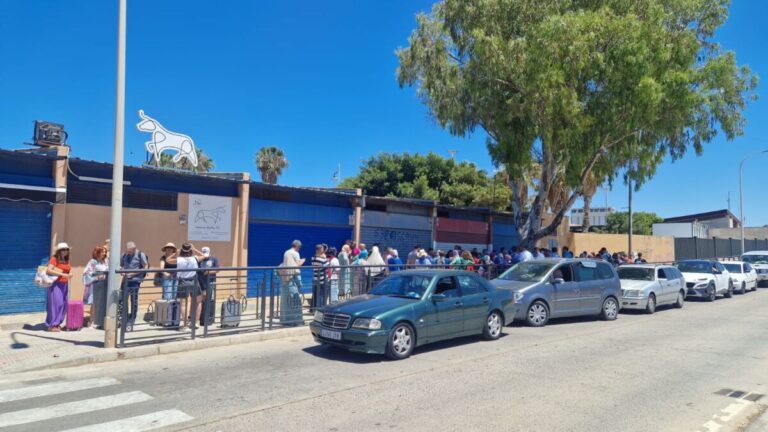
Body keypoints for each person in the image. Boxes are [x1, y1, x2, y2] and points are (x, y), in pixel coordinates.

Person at [166, 243, 205, 328]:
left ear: (182, 250)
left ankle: (185, 324)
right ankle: (196, 322)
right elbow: (204, 256)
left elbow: (167, 260)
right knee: (198, 302)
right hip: (194, 281)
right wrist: (195, 249)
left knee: (183, 304)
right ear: (190, 250)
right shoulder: (194, 258)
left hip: (182, 281)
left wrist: (175, 253)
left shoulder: (179, 259)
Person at [120, 242, 149, 331]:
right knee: (122, 299)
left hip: (135, 280)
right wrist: (122, 270)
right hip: (125, 280)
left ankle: (132, 319)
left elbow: (145, 267)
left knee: (133, 300)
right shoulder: (124, 254)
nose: (128, 253)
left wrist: (133, 273)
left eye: (130, 252)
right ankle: (123, 318)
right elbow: (121, 265)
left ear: (134, 249)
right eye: (127, 251)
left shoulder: (140, 254)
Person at [45, 243, 71, 332]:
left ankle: (57, 323)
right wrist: (63, 274)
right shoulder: (54, 259)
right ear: (59, 251)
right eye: (63, 249)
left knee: (64, 304)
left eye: (67, 249)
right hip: (56, 284)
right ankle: (51, 325)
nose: (65, 251)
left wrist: (68, 275)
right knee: (56, 304)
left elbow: (67, 271)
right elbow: (49, 270)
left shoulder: (66, 260)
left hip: (64, 284)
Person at [82, 245, 108, 329]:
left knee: (101, 303)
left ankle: (100, 321)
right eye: (102, 252)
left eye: (105, 252)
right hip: (95, 285)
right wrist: (96, 277)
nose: (104, 253)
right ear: (98, 252)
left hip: (104, 284)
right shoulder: (93, 262)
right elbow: (86, 272)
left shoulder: (105, 262)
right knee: (94, 303)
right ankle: (91, 321)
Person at [198, 246, 219, 325]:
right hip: (201, 282)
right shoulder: (200, 260)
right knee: (202, 300)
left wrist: (209, 271)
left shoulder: (214, 259)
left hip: (210, 282)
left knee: (210, 299)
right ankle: (201, 319)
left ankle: (209, 319)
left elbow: (217, 270)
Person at [311, 244, 328, 311]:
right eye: (322, 249)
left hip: (315, 278)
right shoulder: (321, 259)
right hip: (322, 279)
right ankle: (321, 309)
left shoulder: (313, 258)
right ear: (320, 250)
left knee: (316, 294)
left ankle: (314, 308)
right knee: (322, 295)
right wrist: (325, 258)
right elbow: (327, 265)